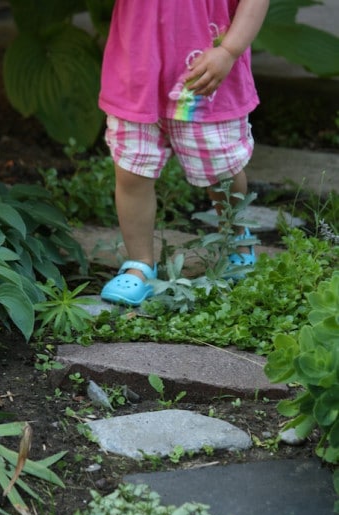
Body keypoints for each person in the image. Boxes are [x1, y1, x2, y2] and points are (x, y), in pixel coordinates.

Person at [99, 0, 270, 306]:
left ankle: (238, 242)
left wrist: (229, 51)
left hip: (206, 77)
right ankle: (139, 265)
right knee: (131, 172)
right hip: (136, 73)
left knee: (222, 172)